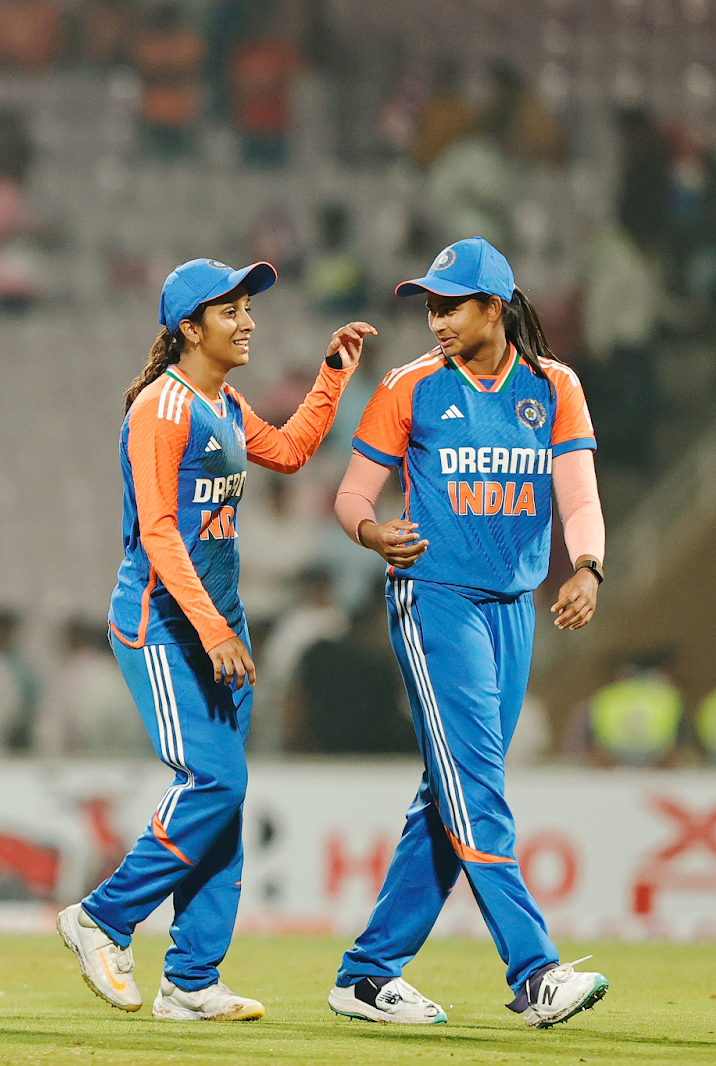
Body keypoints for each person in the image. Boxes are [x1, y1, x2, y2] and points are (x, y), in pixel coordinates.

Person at [57, 257, 374, 1021]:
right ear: (189, 329)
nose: (248, 322)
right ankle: (102, 918)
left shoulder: (223, 402)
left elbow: (290, 452)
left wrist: (332, 377)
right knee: (216, 784)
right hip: (164, 627)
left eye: (248, 308)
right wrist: (212, 629)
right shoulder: (161, 409)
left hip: (216, 625)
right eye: (230, 310)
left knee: (225, 798)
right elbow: (159, 533)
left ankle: (192, 981)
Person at [326, 236, 610, 1028]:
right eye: (430, 306)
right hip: (435, 600)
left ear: (496, 306)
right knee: (475, 783)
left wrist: (588, 567)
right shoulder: (409, 386)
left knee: (450, 790)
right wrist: (372, 533)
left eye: (452, 305)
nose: (437, 320)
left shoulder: (554, 386)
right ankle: (535, 972)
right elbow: (352, 495)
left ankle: (367, 974)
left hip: (512, 608)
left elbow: (580, 497)